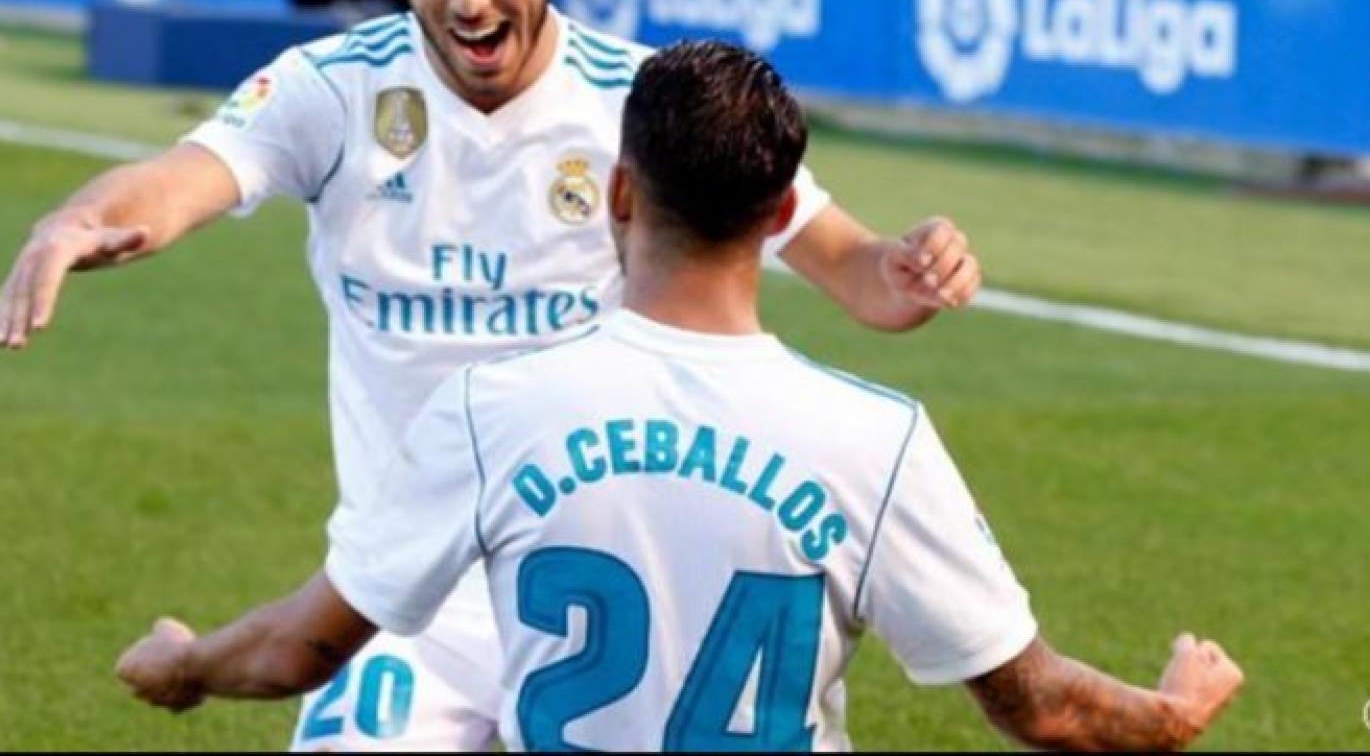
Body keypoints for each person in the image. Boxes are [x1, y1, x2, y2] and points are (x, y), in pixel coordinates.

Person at [0, 0, 981, 750]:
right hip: (408, 586)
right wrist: (79, 219)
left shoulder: (639, 101)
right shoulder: (330, 89)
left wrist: (911, 265)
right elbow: (178, 181)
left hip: (599, 568)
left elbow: (858, 276)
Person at [115, 39, 1246, 752]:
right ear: (773, 215)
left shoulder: (490, 411)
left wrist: (181, 664)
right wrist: (1171, 712)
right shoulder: (875, 439)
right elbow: (1037, 704)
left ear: (615, 192)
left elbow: (295, 655)